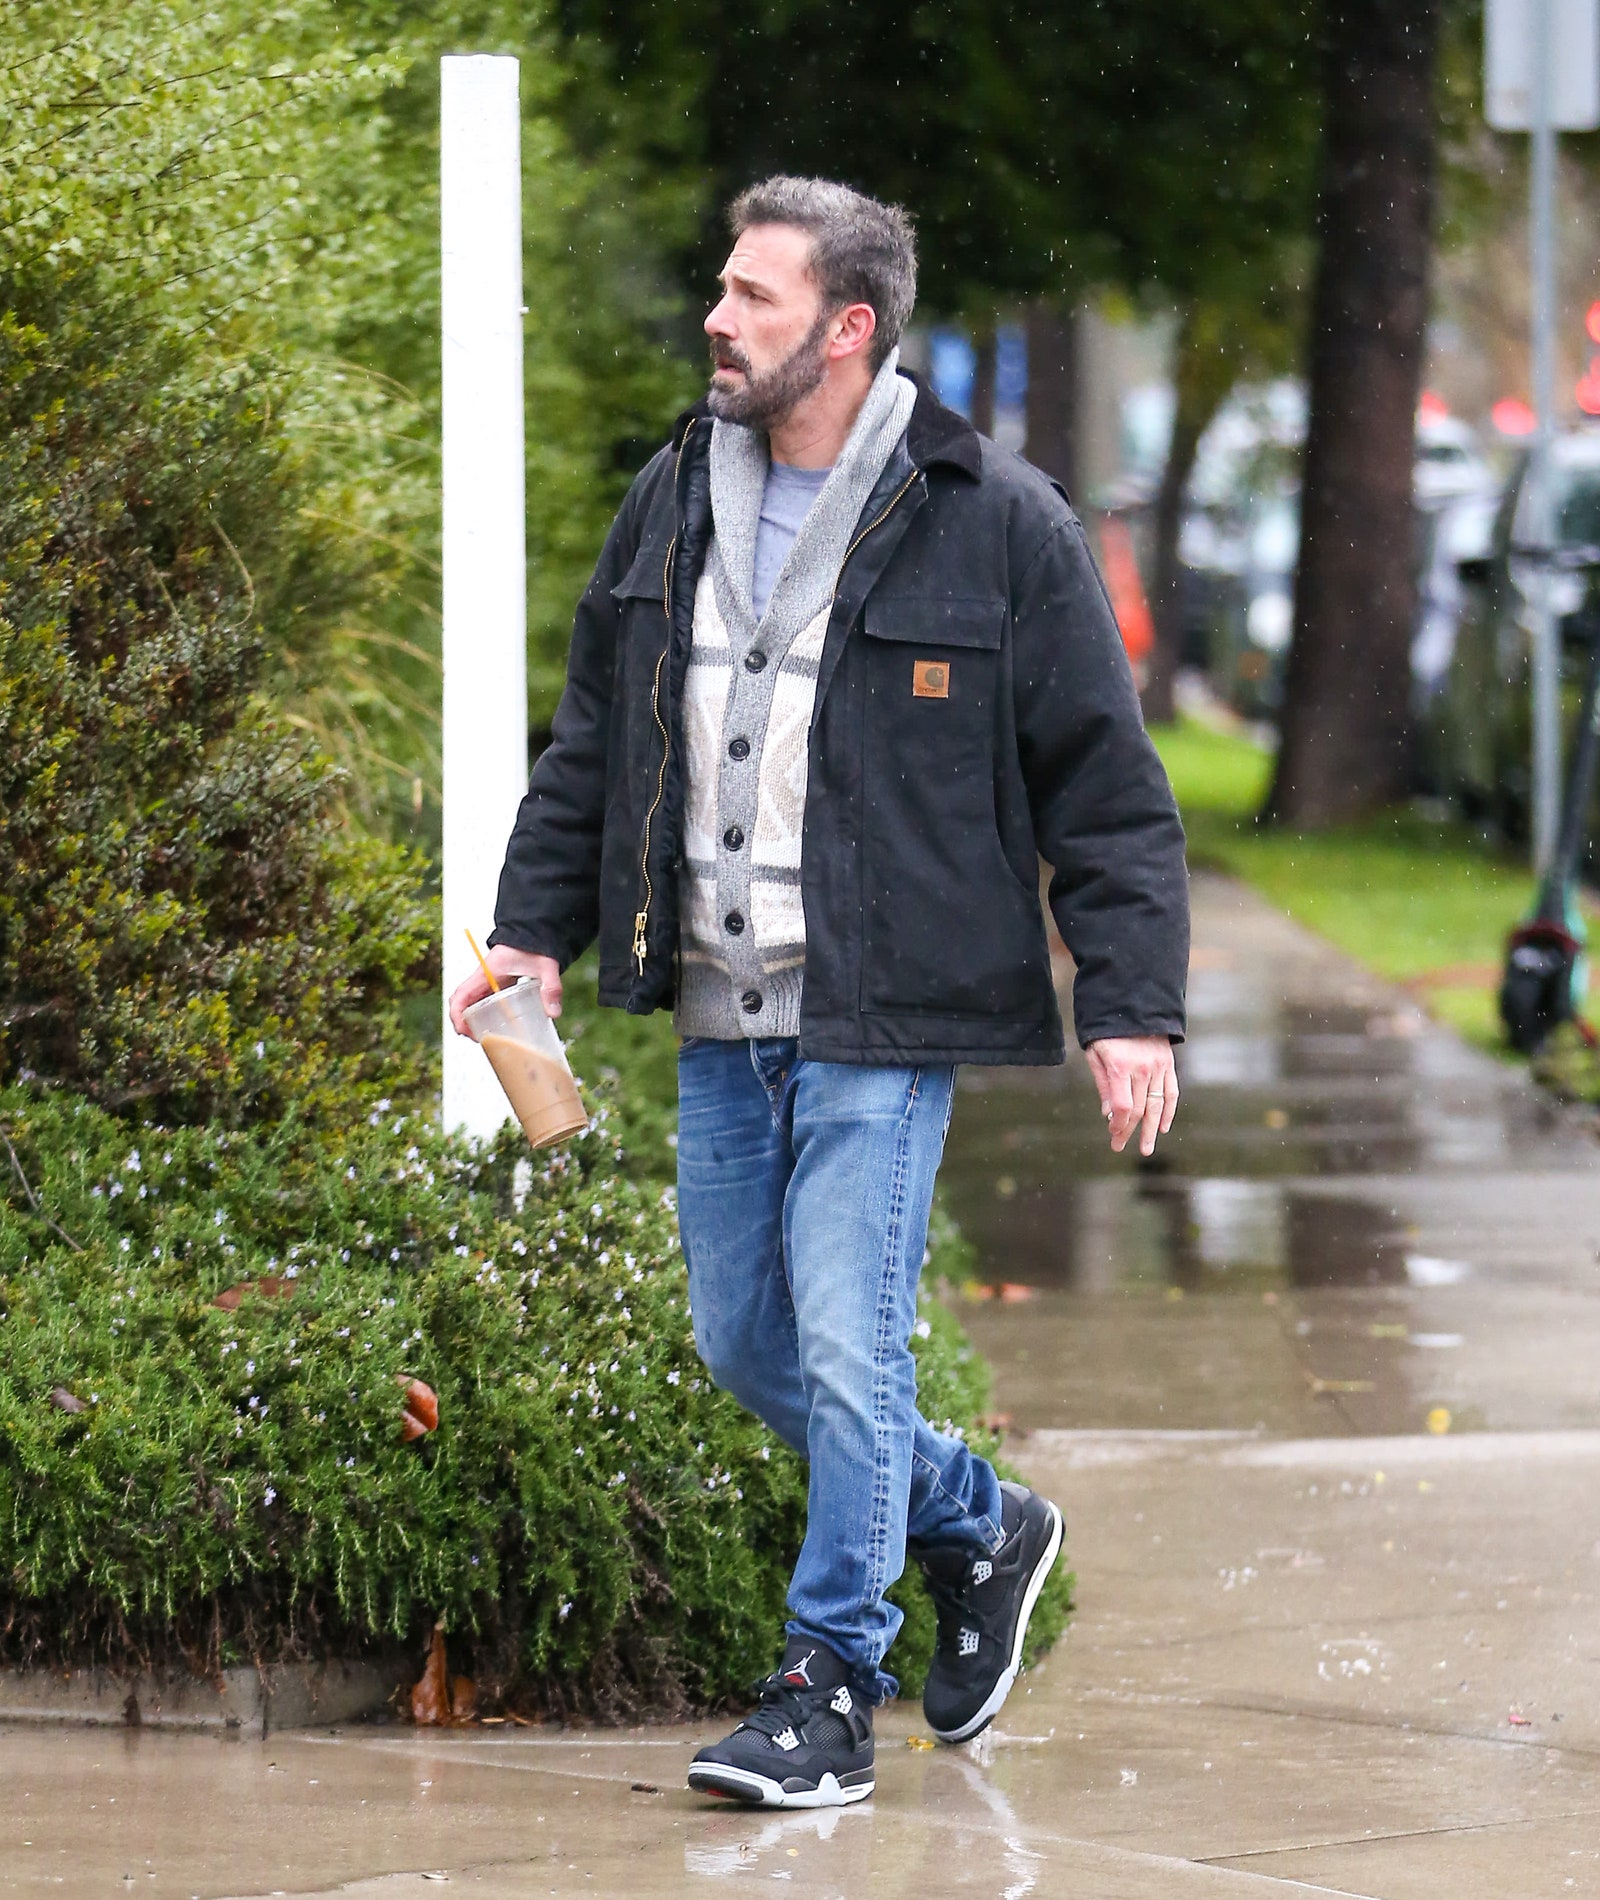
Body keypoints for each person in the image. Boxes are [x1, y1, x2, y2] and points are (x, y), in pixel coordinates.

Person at [449, 176, 1189, 1809]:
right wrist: (535, 930)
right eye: (723, 289)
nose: (719, 318)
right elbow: (591, 739)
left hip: (886, 1010)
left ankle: (825, 1684)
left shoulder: (992, 517)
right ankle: (981, 1523)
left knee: (852, 1353)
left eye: (755, 298)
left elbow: (1107, 786)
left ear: (848, 329)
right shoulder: (672, 498)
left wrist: (1132, 1005)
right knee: (744, 1343)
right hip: (724, 1005)